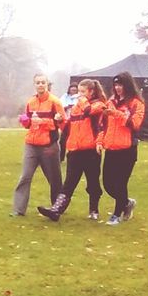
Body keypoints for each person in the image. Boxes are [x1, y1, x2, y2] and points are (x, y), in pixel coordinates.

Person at [38, 78, 106, 222]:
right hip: (74, 150)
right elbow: (69, 128)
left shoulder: (99, 105)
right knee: (69, 183)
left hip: (90, 151)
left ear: (91, 92)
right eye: (78, 91)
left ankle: (94, 209)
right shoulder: (76, 108)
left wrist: (81, 101)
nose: (79, 94)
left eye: (82, 91)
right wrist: (60, 120)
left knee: (93, 182)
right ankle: (56, 210)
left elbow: (93, 116)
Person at [11, 74, 63, 216]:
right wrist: (24, 120)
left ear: (47, 84)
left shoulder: (55, 102)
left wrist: (44, 122)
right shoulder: (31, 102)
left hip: (48, 146)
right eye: (38, 82)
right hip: (31, 144)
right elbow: (28, 123)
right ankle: (18, 209)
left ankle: (57, 207)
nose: (40, 85)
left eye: (43, 82)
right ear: (34, 85)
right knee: (25, 176)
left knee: (54, 178)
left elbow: (63, 123)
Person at [100, 71, 144, 225]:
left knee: (120, 182)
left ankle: (116, 214)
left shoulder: (136, 103)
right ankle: (127, 202)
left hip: (127, 149)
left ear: (128, 85)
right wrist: (100, 141)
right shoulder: (111, 101)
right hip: (111, 147)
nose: (118, 88)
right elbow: (103, 125)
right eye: (116, 85)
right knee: (107, 183)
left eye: (121, 85)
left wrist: (117, 114)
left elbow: (135, 124)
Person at [58, 82, 80, 163]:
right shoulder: (65, 96)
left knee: (74, 140)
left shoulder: (79, 97)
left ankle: (73, 157)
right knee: (62, 140)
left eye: (75, 89)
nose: (73, 91)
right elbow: (60, 105)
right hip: (66, 121)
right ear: (69, 89)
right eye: (72, 89)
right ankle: (61, 158)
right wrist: (66, 106)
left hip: (76, 122)